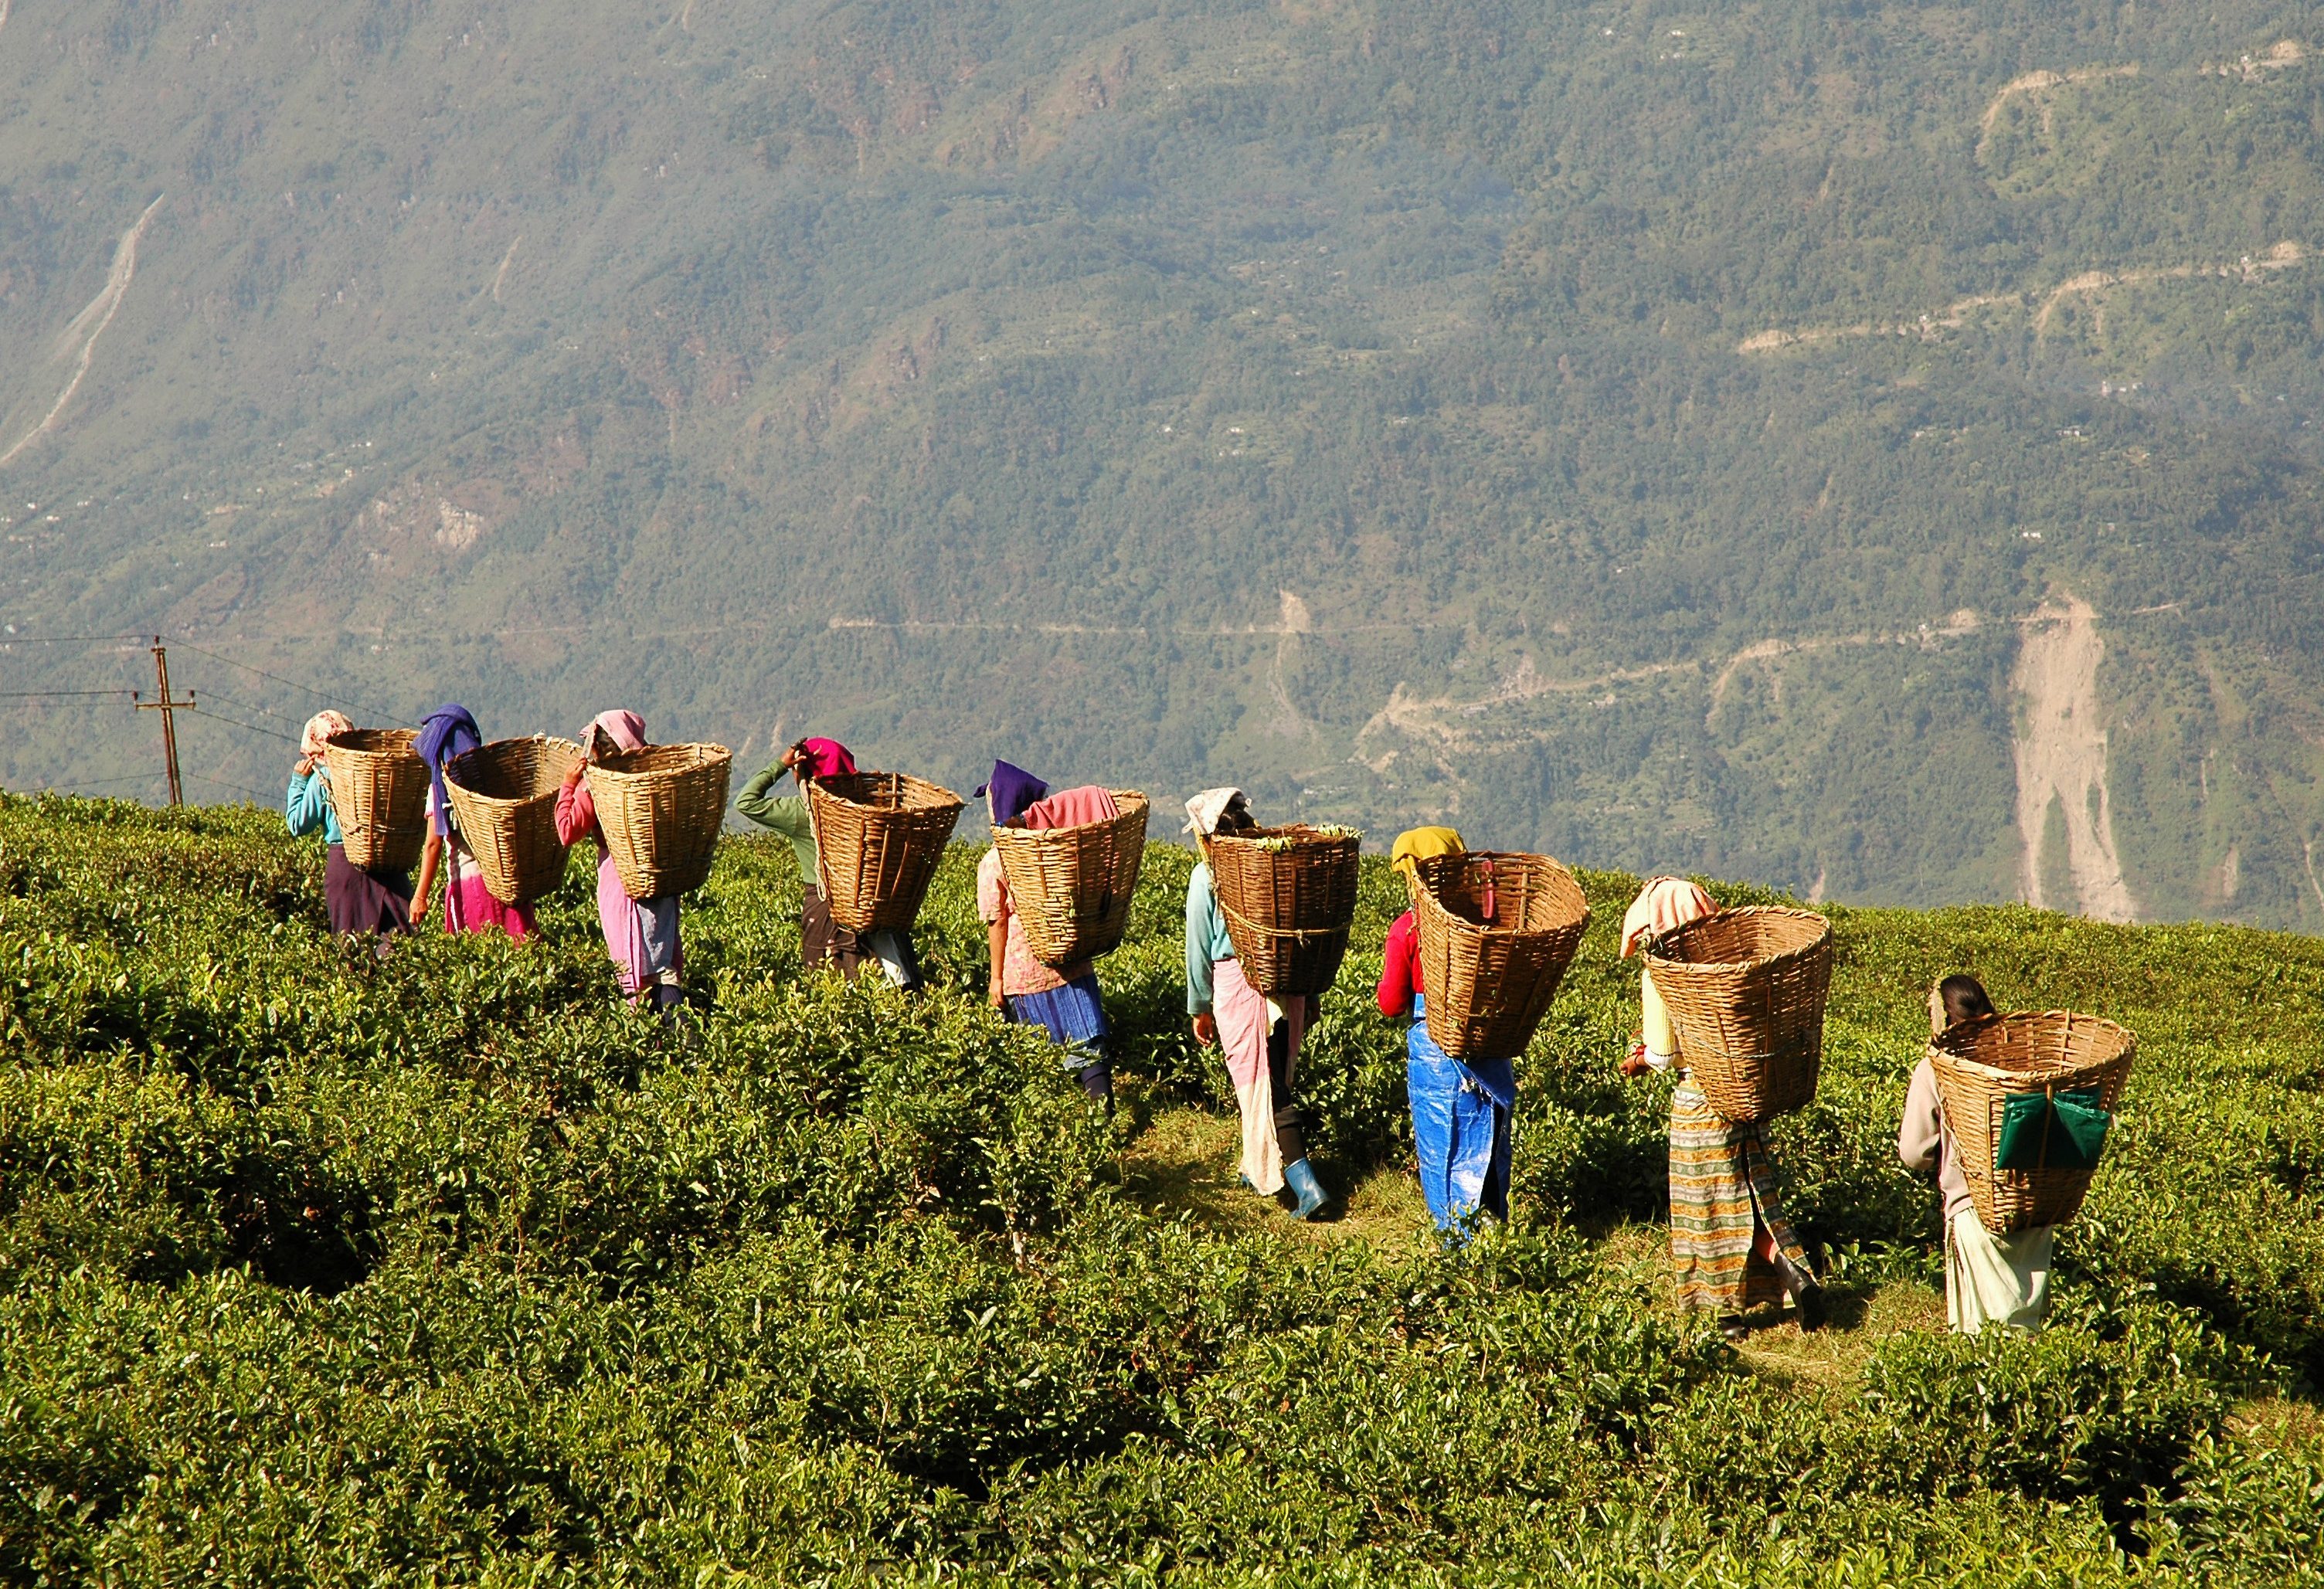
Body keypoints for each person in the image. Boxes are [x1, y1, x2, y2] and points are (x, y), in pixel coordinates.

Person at [1618, 876, 1824, 1339]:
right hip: (1743, 1100)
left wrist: (1638, 1059)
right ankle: (1797, 1276)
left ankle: (1725, 1317)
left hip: (1699, 1106)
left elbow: (1665, 1055)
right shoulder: (1732, 965)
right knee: (1752, 1201)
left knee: (1708, 1210)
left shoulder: (1667, 976)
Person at [1184, 787, 1330, 1221]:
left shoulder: (1206, 876)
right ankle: (1256, 1164)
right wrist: (1311, 992)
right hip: (1289, 984)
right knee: (1271, 1075)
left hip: (1241, 987)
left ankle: (1306, 1184)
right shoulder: (1277, 868)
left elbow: (1198, 946)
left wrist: (1200, 1005)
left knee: (1265, 1085)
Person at [1377, 826, 1514, 1237]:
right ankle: (1495, 1233)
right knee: (1490, 1140)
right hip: (1490, 1044)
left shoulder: (1409, 929)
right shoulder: (1487, 924)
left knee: (1445, 1145)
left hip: (1437, 1051)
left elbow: (1390, 1002)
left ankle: (1456, 1243)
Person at [1900, 974, 2052, 1334]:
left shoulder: (1936, 1069)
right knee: (2027, 1331)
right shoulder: (2020, 1060)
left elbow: (1913, 1152)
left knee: (1981, 1334)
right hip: (2033, 1207)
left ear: (1943, 1020)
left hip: (1974, 1209)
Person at [975, 759, 1116, 1105]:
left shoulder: (994, 861)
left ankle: (1058, 1136)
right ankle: (1103, 1123)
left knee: (1037, 1059)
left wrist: (996, 979)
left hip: (1024, 976)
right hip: (1072, 962)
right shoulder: (1061, 846)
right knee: (1089, 1048)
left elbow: (997, 922)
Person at [734, 737, 922, 991]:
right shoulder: (871, 810)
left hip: (825, 907)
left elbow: (745, 801)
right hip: (875, 905)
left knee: (832, 988)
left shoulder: (803, 813)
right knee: (883, 987)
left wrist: (780, 764)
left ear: (804, 772)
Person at [555, 710, 685, 1013]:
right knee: (662, 963)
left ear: (598, 747)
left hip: (621, 878)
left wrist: (568, 786)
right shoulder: (653, 778)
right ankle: (680, 1042)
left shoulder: (599, 788)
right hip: (659, 875)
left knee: (636, 967)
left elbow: (566, 830)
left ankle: (656, 1038)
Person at [285, 708, 415, 939]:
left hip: (345, 868)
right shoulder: (377, 773)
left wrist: (299, 782)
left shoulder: (323, 779)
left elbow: (298, 824)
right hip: (389, 863)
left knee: (351, 945)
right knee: (398, 946)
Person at [410, 704, 535, 941]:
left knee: (482, 955)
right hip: (507, 881)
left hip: (472, 886)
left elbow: (432, 845)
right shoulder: (496, 779)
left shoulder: (441, 790)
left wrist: (420, 897)